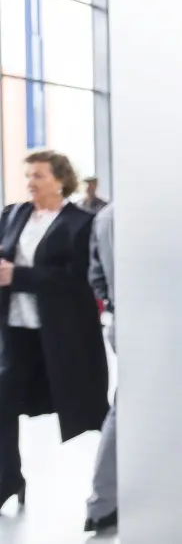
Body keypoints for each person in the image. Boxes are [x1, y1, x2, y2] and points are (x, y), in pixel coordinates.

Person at [0, 151, 109, 510]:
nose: (30, 182)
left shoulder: (81, 223)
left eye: (39, 176)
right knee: (2, 403)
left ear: (60, 180)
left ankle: (111, 489)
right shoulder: (13, 214)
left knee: (89, 411)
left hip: (62, 336)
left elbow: (78, 280)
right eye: (28, 175)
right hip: (16, 331)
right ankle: (8, 479)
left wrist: (19, 276)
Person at [84, 203, 117, 532]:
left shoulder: (106, 216)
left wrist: (112, 303)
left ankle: (103, 503)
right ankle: (103, 502)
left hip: (123, 318)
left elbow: (96, 276)